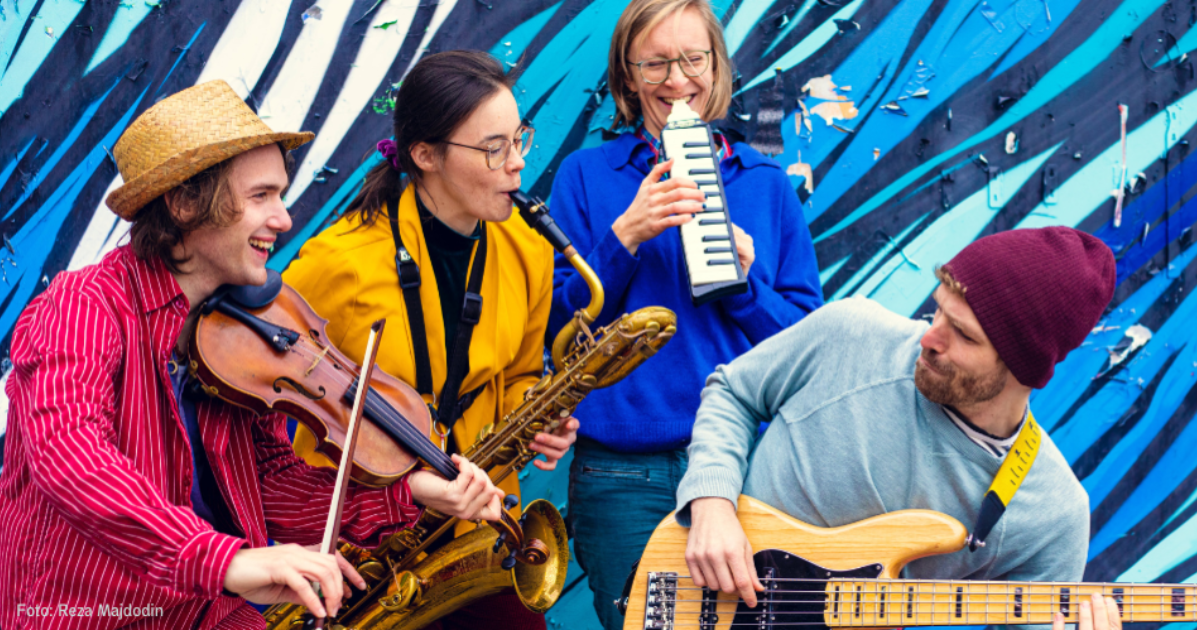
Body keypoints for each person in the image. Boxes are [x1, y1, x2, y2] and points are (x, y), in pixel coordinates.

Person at [0, 80, 504, 630]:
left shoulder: (242, 332)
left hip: (209, 611)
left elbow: (269, 484)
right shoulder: (83, 306)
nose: (283, 219)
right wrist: (228, 562)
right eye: (261, 196)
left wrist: (411, 491)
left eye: (280, 195)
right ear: (185, 203)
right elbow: (72, 458)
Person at [546, 0, 823, 626]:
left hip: (750, 468)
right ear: (627, 76)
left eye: (693, 59)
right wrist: (624, 238)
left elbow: (808, 349)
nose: (676, 80)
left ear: (716, 65)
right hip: (622, 476)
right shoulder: (586, 177)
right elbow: (556, 330)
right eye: (655, 64)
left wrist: (746, 286)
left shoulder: (765, 184)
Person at [283, 51, 578, 630]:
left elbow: (520, 371)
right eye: (493, 148)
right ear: (424, 155)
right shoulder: (336, 263)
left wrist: (537, 413)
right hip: (365, 547)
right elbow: (278, 403)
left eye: (519, 138)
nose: (518, 163)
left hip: (482, 530)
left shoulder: (528, 249)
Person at [679, 227, 1115, 609]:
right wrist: (712, 504)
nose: (929, 337)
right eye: (938, 309)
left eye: (963, 334)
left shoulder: (1053, 515)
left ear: (1024, 368)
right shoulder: (851, 332)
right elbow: (733, 391)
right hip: (697, 598)